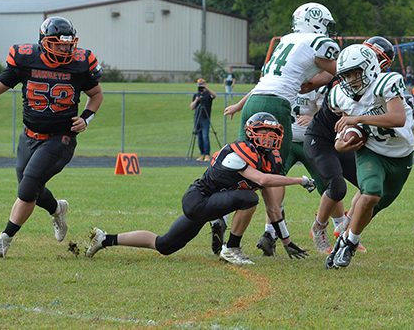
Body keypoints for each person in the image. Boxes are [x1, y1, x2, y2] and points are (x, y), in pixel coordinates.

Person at [85, 113, 316, 265]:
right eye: (263, 132)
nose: (268, 138)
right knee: (248, 198)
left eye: (272, 133)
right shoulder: (239, 151)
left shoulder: (271, 160)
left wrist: (286, 241)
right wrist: (299, 181)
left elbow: (273, 208)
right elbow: (262, 180)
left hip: (215, 202)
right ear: (250, 132)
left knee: (165, 245)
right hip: (199, 199)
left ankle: (105, 239)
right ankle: (231, 247)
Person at [223, 2, 338, 258]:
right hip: (276, 105)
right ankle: (263, 236)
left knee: (246, 168)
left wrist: (239, 105)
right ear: (316, 20)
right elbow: (340, 72)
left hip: (256, 101)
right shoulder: (317, 42)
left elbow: (276, 80)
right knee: (270, 174)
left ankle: (221, 214)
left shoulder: (286, 41)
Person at [0, 17, 103, 258]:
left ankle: (3, 241)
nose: (64, 49)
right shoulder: (25, 60)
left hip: (60, 138)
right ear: (43, 42)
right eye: (58, 44)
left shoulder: (79, 64)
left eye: (68, 44)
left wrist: (85, 118)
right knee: (30, 187)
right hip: (29, 136)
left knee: (27, 187)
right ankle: (57, 209)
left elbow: (96, 95)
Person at [325, 44, 414, 268]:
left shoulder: (386, 83)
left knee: (372, 209)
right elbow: (343, 131)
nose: (350, 80)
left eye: (355, 73)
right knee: (371, 194)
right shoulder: (340, 96)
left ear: (370, 68)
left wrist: (359, 119)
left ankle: (346, 240)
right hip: (371, 151)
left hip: (401, 154)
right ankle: (349, 244)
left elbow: (397, 118)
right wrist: (343, 143)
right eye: (345, 75)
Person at [309, 36, 394, 254]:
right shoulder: (346, 80)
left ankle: (346, 227)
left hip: (348, 139)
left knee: (372, 189)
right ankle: (318, 228)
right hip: (323, 138)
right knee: (337, 187)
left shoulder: (380, 85)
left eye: (379, 59)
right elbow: (348, 118)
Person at [190, 78, 217, 162]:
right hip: (197, 118)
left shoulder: (208, 94)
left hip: (205, 118)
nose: (200, 86)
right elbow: (192, 107)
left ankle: (207, 154)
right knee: (199, 137)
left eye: (202, 84)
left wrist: (206, 88)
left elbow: (214, 95)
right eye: (199, 84)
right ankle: (202, 154)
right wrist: (196, 100)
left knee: (205, 136)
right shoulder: (196, 95)